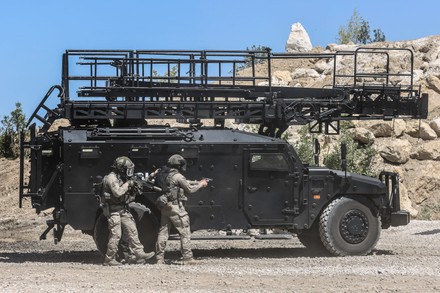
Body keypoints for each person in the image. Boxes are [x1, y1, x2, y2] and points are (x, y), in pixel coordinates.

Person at [155, 154, 209, 264]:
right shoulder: (178, 176)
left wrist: (197, 181)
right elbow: (190, 190)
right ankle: (188, 258)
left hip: (165, 207)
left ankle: (159, 258)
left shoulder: (165, 174)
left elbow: (183, 182)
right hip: (176, 208)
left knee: (163, 232)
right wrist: (201, 185)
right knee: (184, 231)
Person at [102, 156, 155, 266]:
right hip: (113, 211)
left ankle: (139, 253)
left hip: (122, 209)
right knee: (116, 235)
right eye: (127, 169)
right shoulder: (111, 178)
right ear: (121, 168)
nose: (128, 172)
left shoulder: (120, 177)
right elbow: (117, 192)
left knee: (132, 231)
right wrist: (128, 184)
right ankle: (109, 259)